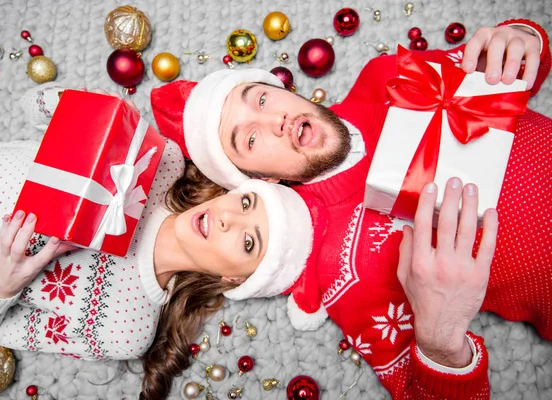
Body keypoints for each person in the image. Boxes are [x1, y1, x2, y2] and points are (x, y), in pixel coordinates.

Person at [149, 19, 552, 398]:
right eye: (249, 141)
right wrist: (440, 339)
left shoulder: (385, 75)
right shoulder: (343, 271)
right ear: (260, 179)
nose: (275, 120)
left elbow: (514, 72)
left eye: (261, 98)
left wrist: (520, 39)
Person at [0, 89, 313, 400]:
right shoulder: (161, 161)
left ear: (234, 280)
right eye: (246, 202)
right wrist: (92, 110)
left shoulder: (125, 329)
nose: (227, 218)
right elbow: (33, 105)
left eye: (248, 241)